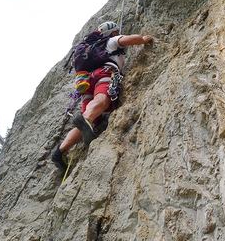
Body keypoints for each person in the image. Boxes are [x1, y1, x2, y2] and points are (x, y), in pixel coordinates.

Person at [51, 21, 153, 170]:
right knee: (102, 101)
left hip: (85, 82)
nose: (117, 34)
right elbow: (133, 39)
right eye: (116, 32)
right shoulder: (110, 41)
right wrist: (143, 39)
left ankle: (61, 151)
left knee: (90, 121)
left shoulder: (87, 49)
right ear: (112, 32)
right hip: (104, 73)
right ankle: (86, 119)